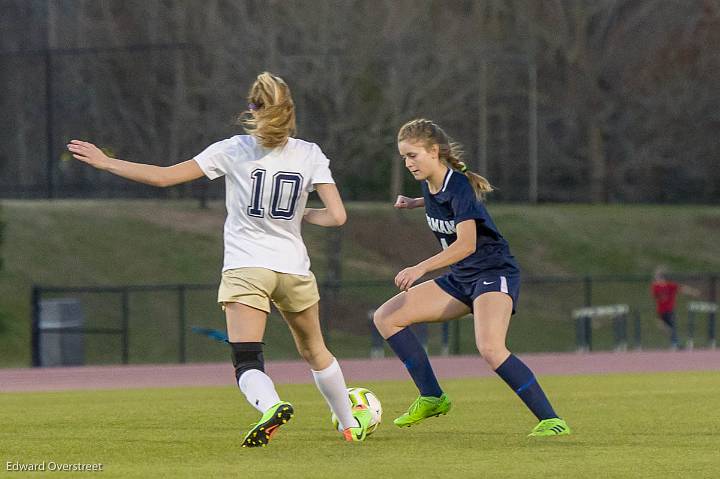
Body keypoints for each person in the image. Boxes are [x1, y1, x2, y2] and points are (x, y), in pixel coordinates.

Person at [67, 72, 372, 447]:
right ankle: (348, 425)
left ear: (252, 109)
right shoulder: (310, 153)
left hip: (247, 266)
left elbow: (164, 178)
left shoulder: (234, 149)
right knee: (315, 350)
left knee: (246, 358)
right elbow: (338, 217)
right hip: (293, 267)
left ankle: (272, 405)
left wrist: (107, 163)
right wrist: (303, 215)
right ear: (290, 111)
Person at [373, 118, 570, 437]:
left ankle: (551, 420)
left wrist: (420, 267)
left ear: (434, 151)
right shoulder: (430, 182)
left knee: (491, 348)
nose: (408, 163)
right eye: (404, 157)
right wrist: (415, 203)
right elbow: (441, 201)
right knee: (387, 318)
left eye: (413, 155)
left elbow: (467, 244)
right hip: (462, 278)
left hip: (493, 273)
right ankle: (432, 397)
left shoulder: (460, 186)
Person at [651, 266, 699, 349]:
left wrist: (692, 292)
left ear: (662, 278)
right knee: (661, 325)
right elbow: (655, 295)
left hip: (669, 310)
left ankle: (675, 343)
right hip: (660, 311)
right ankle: (675, 342)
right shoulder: (655, 287)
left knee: (672, 326)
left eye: (658, 277)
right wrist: (658, 272)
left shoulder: (670, 285)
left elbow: (682, 289)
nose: (656, 279)